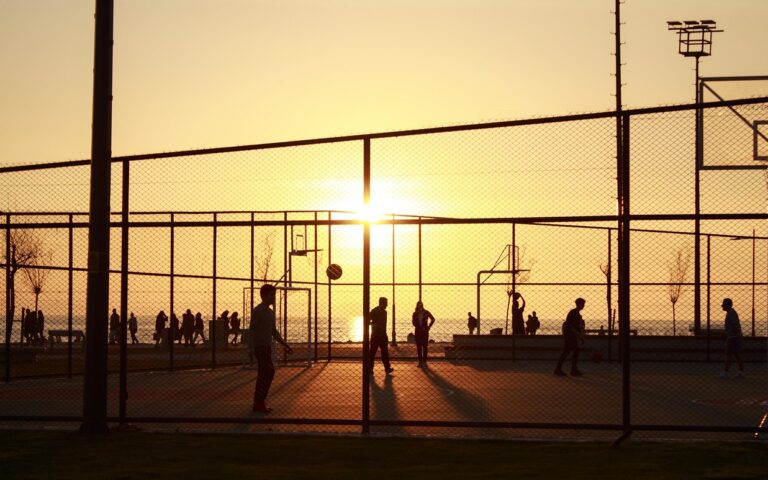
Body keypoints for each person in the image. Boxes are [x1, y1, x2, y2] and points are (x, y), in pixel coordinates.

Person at [249, 284, 293, 413]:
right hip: (259, 347)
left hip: (266, 347)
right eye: (271, 295)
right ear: (264, 296)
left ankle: (259, 401)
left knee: (266, 373)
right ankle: (259, 401)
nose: (274, 297)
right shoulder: (257, 311)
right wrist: (250, 348)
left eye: (274, 295)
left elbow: (274, 331)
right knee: (268, 371)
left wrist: (285, 344)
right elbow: (252, 330)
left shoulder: (270, 312)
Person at [554, 298, 586, 377]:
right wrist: (579, 336)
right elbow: (571, 326)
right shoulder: (574, 313)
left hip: (571, 334)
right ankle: (572, 370)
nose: (584, 306)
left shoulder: (576, 313)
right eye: (583, 304)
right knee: (572, 350)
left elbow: (575, 327)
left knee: (569, 351)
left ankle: (563, 369)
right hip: (570, 334)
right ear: (579, 304)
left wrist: (580, 336)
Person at [720, 298, 744, 379]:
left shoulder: (731, 313)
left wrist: (737, 336)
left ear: (727, 305)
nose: (722, 305)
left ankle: (726, 372)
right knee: (736, 355)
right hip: (733, 337)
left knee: (728, 355)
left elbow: (735, 325)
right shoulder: (731, 313)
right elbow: (734, 326)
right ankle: (741, 372)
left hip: (732, 338)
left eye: (723, 304)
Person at [369, 297, 394, 375]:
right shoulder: (374, 311)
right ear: (381, 303)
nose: (387, 305)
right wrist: (374, 325)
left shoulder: (384, 312)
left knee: (385, 353)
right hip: (375, 335)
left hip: (383, 335)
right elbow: (367, 320)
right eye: (386, 303)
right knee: (372, 353)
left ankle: (387, 368)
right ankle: (370, 369)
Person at [412, 301, 436, 367]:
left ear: (422, 305)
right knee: (419, 347)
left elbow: (433, 319)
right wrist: (419, 326)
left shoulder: (426, 312)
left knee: (425, 346)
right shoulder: (415, 313)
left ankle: (424, 362)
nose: (419, 306)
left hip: (425, 331)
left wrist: (429, 327)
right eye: (418, 305)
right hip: (417, 331)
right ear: (417, 306)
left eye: (421, 305)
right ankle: (420, 362)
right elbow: (413, 322)